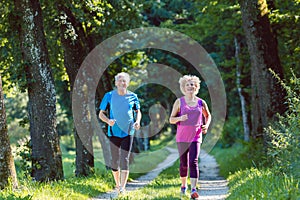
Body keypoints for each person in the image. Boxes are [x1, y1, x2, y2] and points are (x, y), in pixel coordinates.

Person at [99, 72, 142, 194]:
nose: (122, 83)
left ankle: (122, 187)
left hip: (128, 131)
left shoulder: (133, 96)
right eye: (120, 81)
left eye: (124, 81)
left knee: (125, 159)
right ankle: (117, 184)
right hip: (113, 132)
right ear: (116, 83)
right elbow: (101, 114)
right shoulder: (109, 96)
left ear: (127, 83)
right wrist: (108, 121)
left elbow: (138, 111)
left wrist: (137, 121)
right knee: (114, 161)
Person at [169, 75, 211, 199]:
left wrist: (206, 126)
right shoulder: (179, 102)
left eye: (192, 84)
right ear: (183, 87)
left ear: (196, 87)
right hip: (182, 137)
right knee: (183, 163)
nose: (190, 86)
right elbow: (171, 119)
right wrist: (180, 118)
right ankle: (183, 186)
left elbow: (208, 116)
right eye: (187, 85)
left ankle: (193, 189)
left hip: (196, 137)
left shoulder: (201, 102)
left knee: (193, 162)